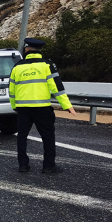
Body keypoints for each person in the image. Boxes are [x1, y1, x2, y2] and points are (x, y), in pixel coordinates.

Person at [8, 37, 77, 174]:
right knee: (48, 137)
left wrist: (14, 106)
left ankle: (23, 165)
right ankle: (48, 166)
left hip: (23, 109)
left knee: (22, 136)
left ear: (27, 49)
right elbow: (57, 87)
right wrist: (67, 105)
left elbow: (11, 90)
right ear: (39, 50)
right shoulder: (47, 65)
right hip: (42, 108)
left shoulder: (17, 67)